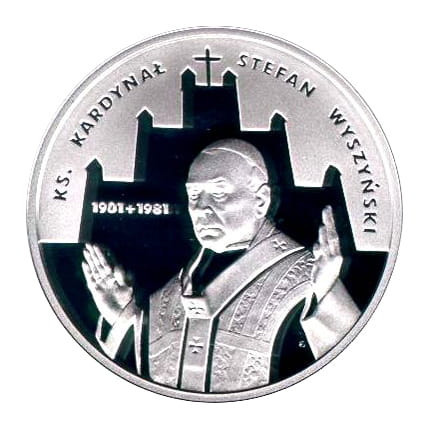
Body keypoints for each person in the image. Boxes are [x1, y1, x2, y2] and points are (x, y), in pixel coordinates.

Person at [82, 139, 360, 393]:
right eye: (194, 195)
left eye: (218, 193)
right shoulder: (169, 295)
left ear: (261, 200)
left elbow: (353, 380)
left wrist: (326, 297)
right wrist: (121, 318)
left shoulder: (308, 279)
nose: (200, 208)